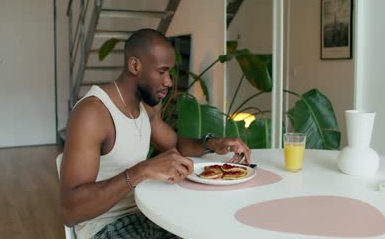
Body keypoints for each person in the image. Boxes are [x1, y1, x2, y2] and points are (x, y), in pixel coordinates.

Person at [59, 28, 251, 239]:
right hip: (106, 228)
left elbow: (175, 143)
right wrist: (142, 171)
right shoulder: (93, 113)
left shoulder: (145, 109)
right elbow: (70, 210)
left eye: (169, 73)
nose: (169, 82)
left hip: (147, 215)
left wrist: (214, 143)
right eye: (162, 72)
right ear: (134, 65)